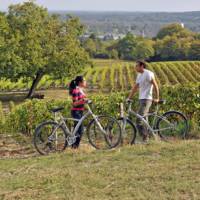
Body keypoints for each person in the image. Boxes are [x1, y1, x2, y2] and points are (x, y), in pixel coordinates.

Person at [127, 61, 159, 142]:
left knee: (139, 119)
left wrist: (157, 98)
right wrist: (129, 98)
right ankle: (149, 137)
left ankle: (145, 138)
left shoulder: (148, 74)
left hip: (147, 99)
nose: (135, 68)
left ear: (142, 66)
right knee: (145, 119)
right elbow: (135, 87)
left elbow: (155, 85)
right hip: (141, 99)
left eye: (137, 66)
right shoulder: (139, 75)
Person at [69, 76, 87, 148]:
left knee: (80, 130)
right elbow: (74, 103)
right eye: (84, 80)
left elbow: (82, 101)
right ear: (80, 82)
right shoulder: (75, 91)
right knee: (79, 130)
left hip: (80, 111)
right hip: (76, 112)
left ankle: (75, 146)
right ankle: (74, 146)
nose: (86, 82)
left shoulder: (80, 90)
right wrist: (83, 100)